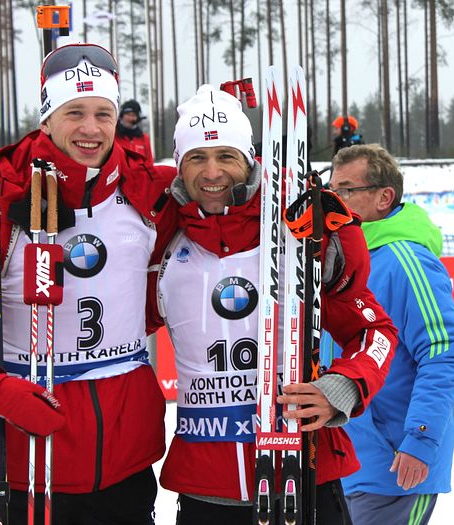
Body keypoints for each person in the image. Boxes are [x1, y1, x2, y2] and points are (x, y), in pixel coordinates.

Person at [0, 43, 177, 524]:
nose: (91, 128)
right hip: (26, 465)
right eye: (74, 112)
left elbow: (223, 202)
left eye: (103, 113)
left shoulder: (148, 192)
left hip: (128, 470)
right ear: (46, 119)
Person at [150, 85, 399, 524]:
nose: (213, 172)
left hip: (305, 473)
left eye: (227, 157)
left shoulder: (306, 233)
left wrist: (339, 389)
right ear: (178, 166)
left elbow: (375, 332)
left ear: (249, 160)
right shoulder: (161, 239)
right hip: (207, 486)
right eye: (197, 158)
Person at [325, 143, 454, 525]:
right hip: (345, 462)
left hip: (395, 469)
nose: (333, 200)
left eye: (346, 191)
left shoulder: (407, 260)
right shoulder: (337, 255)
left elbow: (443, 354)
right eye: (332, 189)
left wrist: (420, 439)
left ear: (384, 197)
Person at [115, 99, 155, 163]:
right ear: (122, 115)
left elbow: (149, 164)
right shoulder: (114, 137)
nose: (130, 118)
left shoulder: (144, 139)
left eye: (133, 115)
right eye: (128, 114)